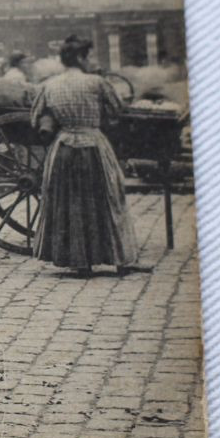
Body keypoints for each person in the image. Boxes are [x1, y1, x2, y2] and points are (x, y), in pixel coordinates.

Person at [29, 36, 144, 277]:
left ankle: (80, 261)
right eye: (89, 56)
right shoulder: (96, 82)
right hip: (93, 143)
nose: (91, 60)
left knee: (69, 202)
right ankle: (119, 258)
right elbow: (117, 110)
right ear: (80, 57)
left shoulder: (50, 85)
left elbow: (35, 117)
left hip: (63, 148)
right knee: (110, 198)